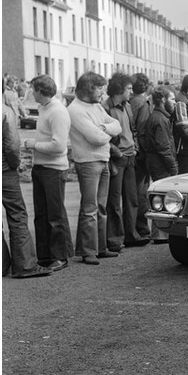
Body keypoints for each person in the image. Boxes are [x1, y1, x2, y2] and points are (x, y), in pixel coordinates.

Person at [68, 72, 122, 265]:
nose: (103, 93)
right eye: (99, 88)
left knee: (100, 207)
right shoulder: (75, 110)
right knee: (90, 208)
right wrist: (106, 131)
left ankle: (100, 248)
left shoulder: (96, 106)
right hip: (88, 162)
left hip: (102, 159)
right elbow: (96, 138)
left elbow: (117, 126)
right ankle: (88, 251)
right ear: (89, 88)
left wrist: (103, 128)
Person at [22, 74, 73, 271]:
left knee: (55, 215)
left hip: (54, 169)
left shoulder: (57, 111)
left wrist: (33, 145)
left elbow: (59, 146)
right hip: (42, 167)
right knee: (41, 214)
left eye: (33, 89)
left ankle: (59, 256)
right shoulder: (45, 108)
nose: (31, 92)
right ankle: (44, 255)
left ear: (40, 91)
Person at [2, 88, 52, 279]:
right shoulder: (4, 111)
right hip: (4, 169)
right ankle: (24, 264)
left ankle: (1, 264)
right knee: (17, 214)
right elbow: (12, 145)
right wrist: (15, 165)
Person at [103, 72, 149, 251]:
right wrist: (118, 153)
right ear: (119, 89)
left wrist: (135, 148)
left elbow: (133, 129)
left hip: (130, 156)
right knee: (114, 202)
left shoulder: (127, 106)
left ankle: (131, 235)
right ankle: (114, 240)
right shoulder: (106, 107)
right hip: (117, 158)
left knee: (132, 199)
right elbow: (103, 136)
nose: (131, 91)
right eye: (128, 88)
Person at [144, 85, 178, 243]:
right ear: (163, 100)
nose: (175, 102)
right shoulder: (160, 119)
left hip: (157, 161)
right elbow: (164, 147)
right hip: (160, 163)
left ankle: (160, 233)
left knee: (161, 196)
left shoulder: (159, 116)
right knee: (161, 196)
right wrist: (173, 167)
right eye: (172, 99)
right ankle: (160, 234)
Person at [129, 73, 153, 240]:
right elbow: (143, 130)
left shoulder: (129, 102)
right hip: (141, 154)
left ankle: (134, 227)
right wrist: (146, 152)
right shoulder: (143, 103)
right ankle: (142, 228)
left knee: (132, 192)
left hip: (132, 151)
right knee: (141, 192)